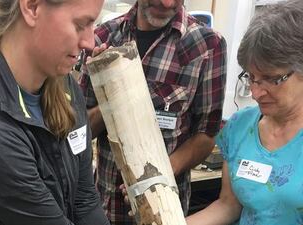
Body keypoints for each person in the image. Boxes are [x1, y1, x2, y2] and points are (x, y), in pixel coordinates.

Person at [0, 0, 110, 225]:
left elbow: (84, 199)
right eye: (80, 24)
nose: (89, 41)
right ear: (32, 7)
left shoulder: (65, 88)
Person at [79, 0, 227, 224]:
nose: (167, 3)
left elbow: (206, 135)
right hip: (105, 209)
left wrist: (154, 181)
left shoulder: (206, 45)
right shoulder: (102, 37)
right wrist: (112, 89)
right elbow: (79, 131)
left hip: (163, 212)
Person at [186, 0, 303, 224]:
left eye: (271, 79)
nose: (256, 92)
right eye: (250, 77)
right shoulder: (240, 127)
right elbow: (228, 205)